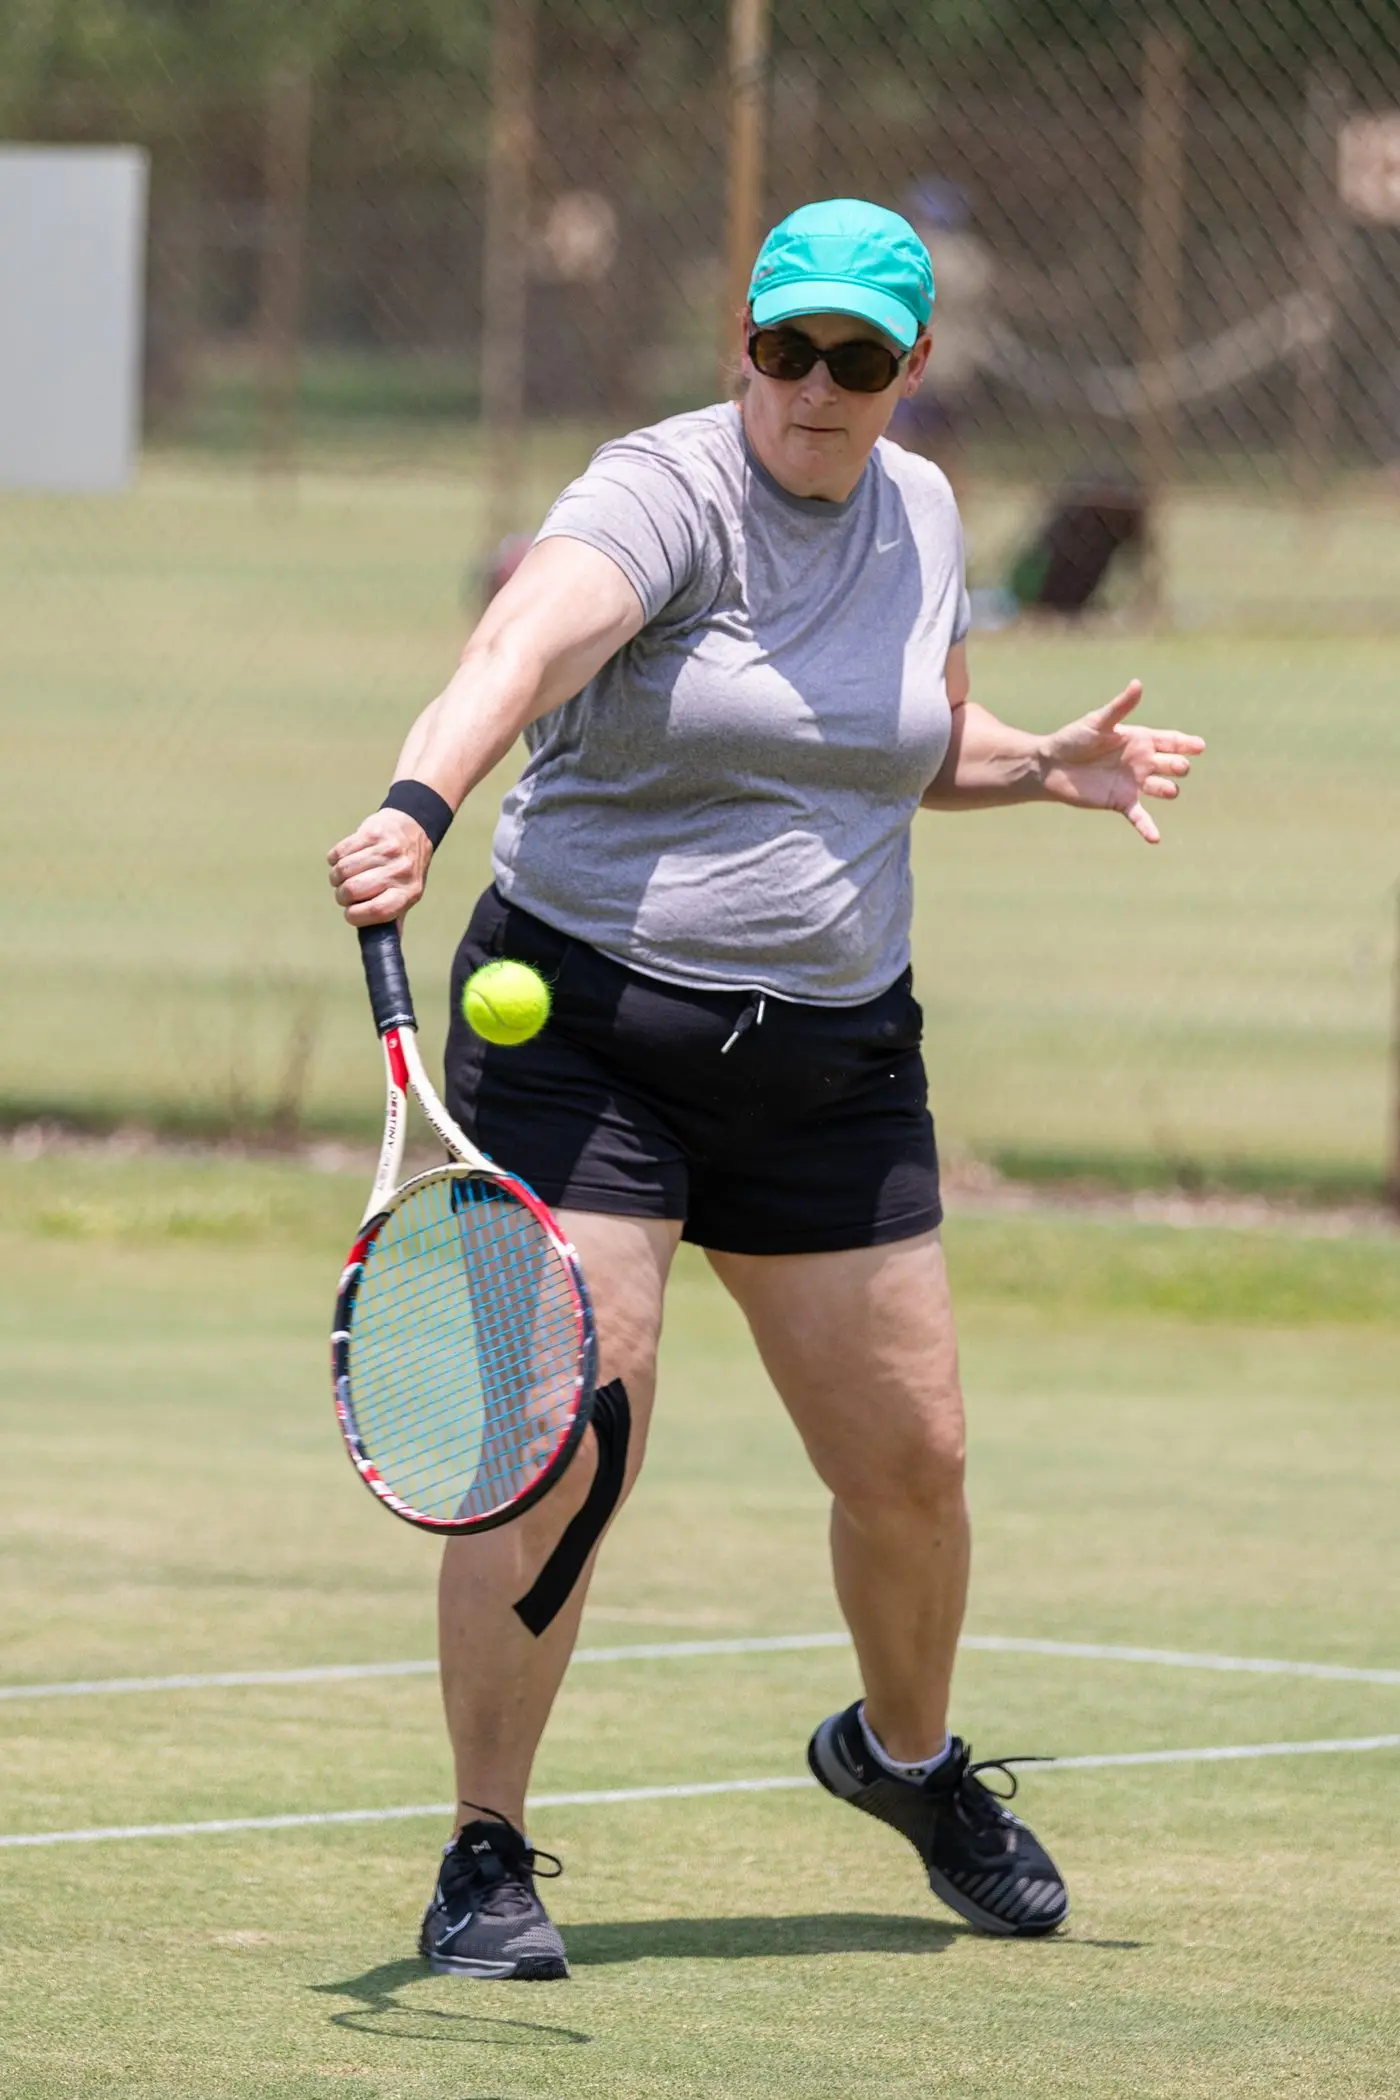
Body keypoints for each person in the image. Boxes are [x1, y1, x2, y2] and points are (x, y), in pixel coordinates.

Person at [327, 197, 1203, 1981]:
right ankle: (484, 1851)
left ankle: (903, 1764)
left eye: (857, 360)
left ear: (911, 374)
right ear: (743, 342)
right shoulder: (656, 495)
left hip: (832, 1061)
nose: (815, 385)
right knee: (567, 1442)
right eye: (786, 348)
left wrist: (1041, 763)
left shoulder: (926, 510)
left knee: (917, 1466)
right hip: (591, 1045)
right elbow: (521, 651)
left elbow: (901, 735)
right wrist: (419, 805)